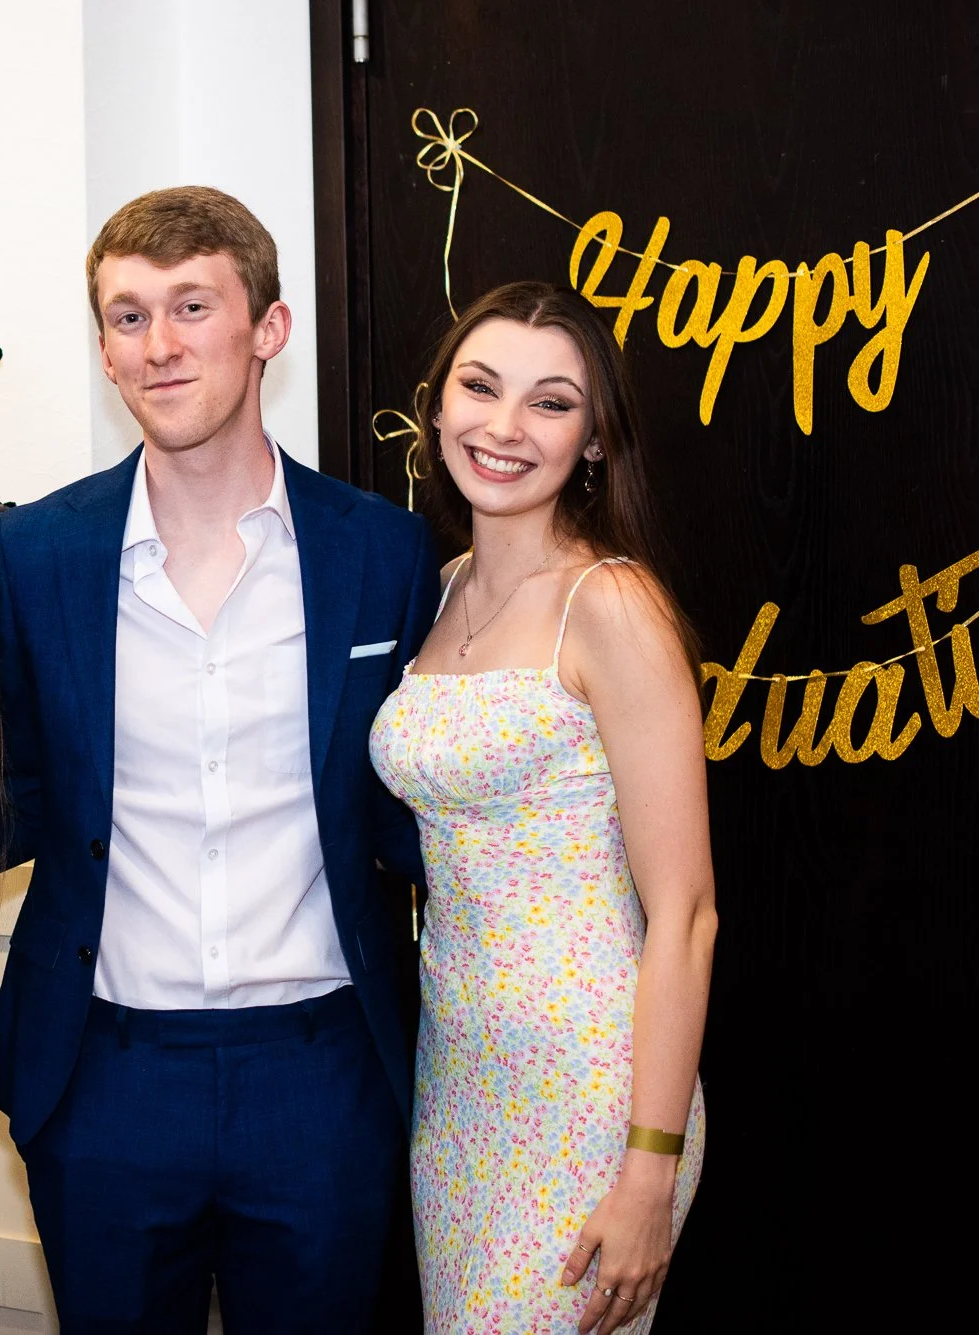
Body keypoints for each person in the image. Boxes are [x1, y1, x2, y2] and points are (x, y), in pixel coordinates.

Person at [0, 187, 439, 1332]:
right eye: (127, 316)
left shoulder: (381, 552)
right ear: (102, 350)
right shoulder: (32, 554)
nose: (159, 345)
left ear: (266, 328)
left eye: (191, 306)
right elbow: (9, 792)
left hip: (320, 1071)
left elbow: (413, 806)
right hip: (103, 1073)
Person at [368, 282, 712, 1334]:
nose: (504, 425)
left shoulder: (610, 605)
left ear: (594, 438)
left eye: (550, 402)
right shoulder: (440, 588)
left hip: (592, 1095)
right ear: (437, 409)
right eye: (480, 387)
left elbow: (687, 915)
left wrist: (649, 1171)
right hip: (459, 1082)